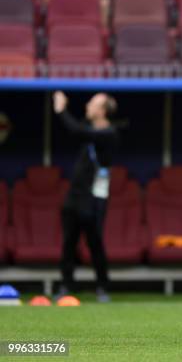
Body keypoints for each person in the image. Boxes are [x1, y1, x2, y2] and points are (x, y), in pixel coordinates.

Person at [53, 91, 119, 303]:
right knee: (68, 243)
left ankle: (102, 287)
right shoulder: (90, 129)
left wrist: (61, 109)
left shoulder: (108, 133)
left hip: (93, 200)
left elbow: (76, 130)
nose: (87, 106)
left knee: (95, 243)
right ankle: (66, 285)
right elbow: (80, 130)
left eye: (92, 104)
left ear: (102, 111)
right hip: (74, 196)